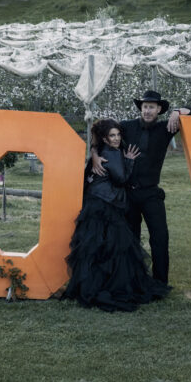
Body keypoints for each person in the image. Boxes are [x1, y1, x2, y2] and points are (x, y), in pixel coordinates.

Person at [65, 119, 170, 311]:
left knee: (99, 248)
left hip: (96, 202)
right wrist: (129, 160)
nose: (117, 138)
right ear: (105, 138)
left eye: (118, 135)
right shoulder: (112, 154)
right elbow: (121, 179)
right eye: (112, 136)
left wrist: (94, 153)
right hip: (106, 204)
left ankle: (98, 284)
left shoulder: (104, 150)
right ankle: (114, 285)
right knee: (115, 247)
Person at [91, 90, 191, 285]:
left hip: (151, 193)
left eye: (151, 107)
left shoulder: (166, 128)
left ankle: (160, 281)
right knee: (130, 238)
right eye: (145, 107)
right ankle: (134, 279)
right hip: (128, 194)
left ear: (159, 109)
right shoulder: (127, 126)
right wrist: (94, 155)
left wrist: (177, 111)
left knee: (160, 237)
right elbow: (100, 131)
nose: (147, 111)